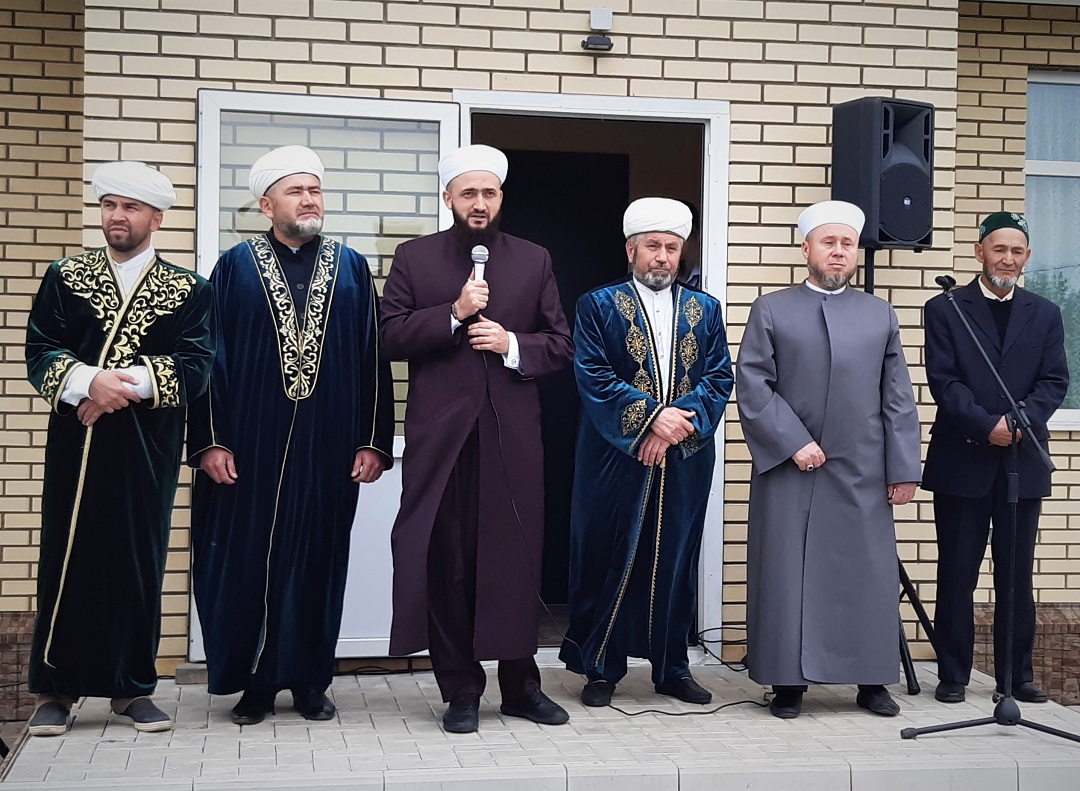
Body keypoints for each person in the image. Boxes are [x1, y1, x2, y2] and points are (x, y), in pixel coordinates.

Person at [188, 145, 394, 725]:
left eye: (315, 190)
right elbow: (209, 357)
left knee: (317, 560)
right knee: (248, 561)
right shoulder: (234, 266)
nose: (309, 200)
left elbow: (372, 357)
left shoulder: (352, 267)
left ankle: (308, 681)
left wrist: (373, 440)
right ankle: (255, 685)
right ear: (266, 204)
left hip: (330, 443)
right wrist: (210, 440)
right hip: (249, 444)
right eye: (295, 191)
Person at [381, 144, 574, 734]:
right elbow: (388, 337)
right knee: (448, 562)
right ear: (448, 198)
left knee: (514, 559)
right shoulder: (414, 258)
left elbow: (560, 344)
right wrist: (453, 312)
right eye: (469, 193)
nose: (480, 203)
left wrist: (512, 344)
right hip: (442, 439)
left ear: (501, 198)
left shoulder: (533, 259)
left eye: (489, 193)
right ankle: (461, 689)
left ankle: (521, 687)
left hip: (511, 437)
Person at [25, 161, 215, 736]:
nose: (116, 216)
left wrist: (115, 388)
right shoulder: (65, 275)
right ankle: (56, 689)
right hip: (77, 445)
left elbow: (196, 364)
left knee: (137, 559)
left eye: (130, 207)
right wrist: (87, 382)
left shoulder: (189, 289)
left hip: (145, 447)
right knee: (67, 557)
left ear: (156, 219)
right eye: (109, 205)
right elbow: (41, 349)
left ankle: (131, 689)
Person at [737, 200, 922, 719]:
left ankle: (871, 681)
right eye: (829, 242)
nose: (839, 252)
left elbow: (898, 399)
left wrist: (904, 468)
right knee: (787, 575)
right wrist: (792, 441)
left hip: (863, 471)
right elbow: (752, 384)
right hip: (789, 469)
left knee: (867, 576)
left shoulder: (880, 314)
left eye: (847, 244)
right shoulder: (771, 309)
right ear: (807, 249)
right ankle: (787, 684)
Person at [560, 198, 733, 707]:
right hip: (614, 458)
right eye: (653, 246)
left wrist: (674, 425)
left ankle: (672, 668)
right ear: (631, 249)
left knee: (676, 558)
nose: (662, 256)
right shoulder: (597, 305)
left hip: (684, 457)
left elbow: (719, 376)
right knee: (607, 553)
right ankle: (600, 668)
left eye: (671, 248)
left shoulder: (706, 309)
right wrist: (651, 418)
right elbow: (592, 374)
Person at [923, 211, 1069, 705]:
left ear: (1027, 257)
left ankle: (1015, 676)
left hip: (1022, 461)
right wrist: (988, 425)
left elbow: (1054, 381)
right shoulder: (946, 307)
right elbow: (944, 381)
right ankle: (953, 674)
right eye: (999, 249)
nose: (1007, 258)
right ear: (979, 252)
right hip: (962, 457)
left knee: (1016, 575)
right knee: (956, 572)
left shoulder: (1045, 313)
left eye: (1016, 251)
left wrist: (1019, 421)